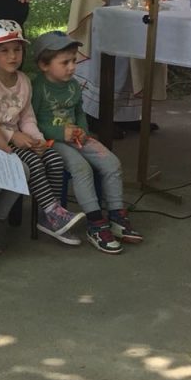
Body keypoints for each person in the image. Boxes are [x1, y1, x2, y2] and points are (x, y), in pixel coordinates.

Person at [30, 32, 142, 255]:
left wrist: (84, 131)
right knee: (81, 168)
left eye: (73, 60)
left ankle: (117, 214)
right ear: (44, 64)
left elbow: (79, 112)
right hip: (52, 141)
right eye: (65, 62)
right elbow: (33, 122)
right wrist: (61, 132)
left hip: (77, 137)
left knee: (111, 162)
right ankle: (95, 223)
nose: (72, 67)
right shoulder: (37, 88)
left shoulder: (72, 85)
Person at [0, 21, 85, 246]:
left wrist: (37, 139)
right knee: (32, 165)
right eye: (4, 51)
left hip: (22, 137)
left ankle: (52, 217)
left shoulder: (24, 81)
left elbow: (27, 116)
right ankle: (53, 212)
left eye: (17, 50)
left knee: (54, 159)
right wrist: (12, 136)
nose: (12, 56)